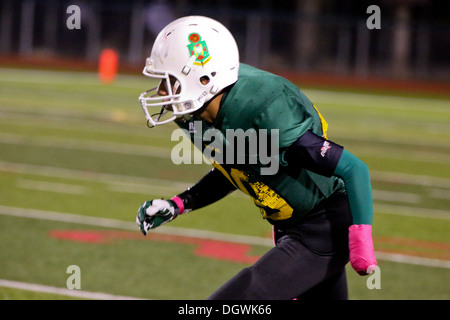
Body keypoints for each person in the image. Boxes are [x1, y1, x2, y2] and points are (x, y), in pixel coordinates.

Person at [136, 16, 377, 300]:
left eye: (169, 81)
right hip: (295, 227)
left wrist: (361, 236)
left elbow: (354, 168)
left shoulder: (262, 106)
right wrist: (179, 203)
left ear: (203, 79)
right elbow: (237, 168)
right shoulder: (200, 113)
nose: (162, 92)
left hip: (322, 229)